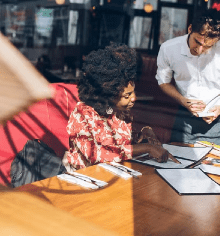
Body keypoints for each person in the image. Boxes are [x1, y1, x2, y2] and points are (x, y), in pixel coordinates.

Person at [63, 42, 179, 171]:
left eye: (133, 91)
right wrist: (146, 148)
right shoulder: (82, 115)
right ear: (108, 94)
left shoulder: (119, 112)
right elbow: (94, 154)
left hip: (114, 174)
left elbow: (121, 143)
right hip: (86, 178)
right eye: (127, 95)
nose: (134, 98)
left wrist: (144, 133)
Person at [156, 9, 220, 147]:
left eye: (209, 46)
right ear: (190, 28)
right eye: (197, 42)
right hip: (185, 119)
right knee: (178, 164)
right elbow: (163, 82)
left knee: (219, 166)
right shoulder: (168, 49)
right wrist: (183, 101)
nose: (200, 50)